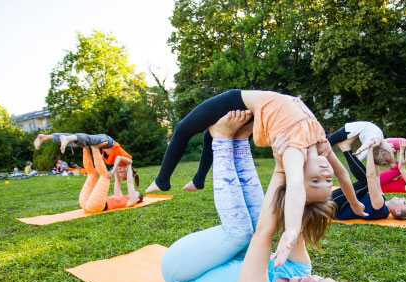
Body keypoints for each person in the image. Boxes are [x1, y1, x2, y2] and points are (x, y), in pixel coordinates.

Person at [161, 112, 365, 282]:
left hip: (182, 272)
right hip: (216, 258)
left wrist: (280, 170)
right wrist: (298, 162)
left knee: (242, 233)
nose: (311, 279)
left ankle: (222, 140)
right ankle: (239, 142)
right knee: (253, 225)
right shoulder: (300, 273)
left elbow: (263, 233)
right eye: (321, 279)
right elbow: (292, 216)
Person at [146, 90, 366, 266]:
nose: (327, 175)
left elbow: (297, 188)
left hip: (239, 100)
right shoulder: (321, 145)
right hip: (256, 109)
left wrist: (291, 230)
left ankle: (163, 180)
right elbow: (344, 175)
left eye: (316, 181)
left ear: (296, 172)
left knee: (184, 128)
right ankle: (198, 180)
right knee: (208, 133)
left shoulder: (293, 152)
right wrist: (355, 206)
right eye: (328, 182)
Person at [331, 136, 406, 221]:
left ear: (398, 211)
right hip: (333, 204)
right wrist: (377, 152)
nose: (403, 198)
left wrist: (372, 150)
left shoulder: (380, 208)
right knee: (366, 183)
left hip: (331, 207)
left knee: (366, 183)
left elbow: (371, 178)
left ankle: (345, 148)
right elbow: (376, 177)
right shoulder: (381, 203)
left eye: (405, 202)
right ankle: (345, 148)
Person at [79, 147, 142, 213]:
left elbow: (129, 182)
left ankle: (95, 149)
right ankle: (86, 149)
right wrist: (116, 167)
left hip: (96, 206)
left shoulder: (131, 201)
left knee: (105, 176)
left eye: (135, 193)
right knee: (92, 174)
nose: (131, 192)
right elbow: (117, 181)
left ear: (137, 199)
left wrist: (129, 166)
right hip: (86, 202)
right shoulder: (119, 196)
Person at [327, 121, 395, 167]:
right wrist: (360, 155)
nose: (394, 149)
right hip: (350, 129)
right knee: (325, 144)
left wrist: (360, 151)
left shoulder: (376, 140)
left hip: (348, 130)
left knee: (326, 144)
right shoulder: (379, 138)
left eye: (392, 151)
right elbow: (367, 149)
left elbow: (367, 145)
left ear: (382, 151)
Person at [34, 133, 114, 154]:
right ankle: (67, 138)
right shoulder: (111, 145)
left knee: (74, 139)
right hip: (107, 139)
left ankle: (45, 137)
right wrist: (95, 148)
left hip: (103, 139)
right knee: (88, 139)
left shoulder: (107, 151)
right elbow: (105, 142)